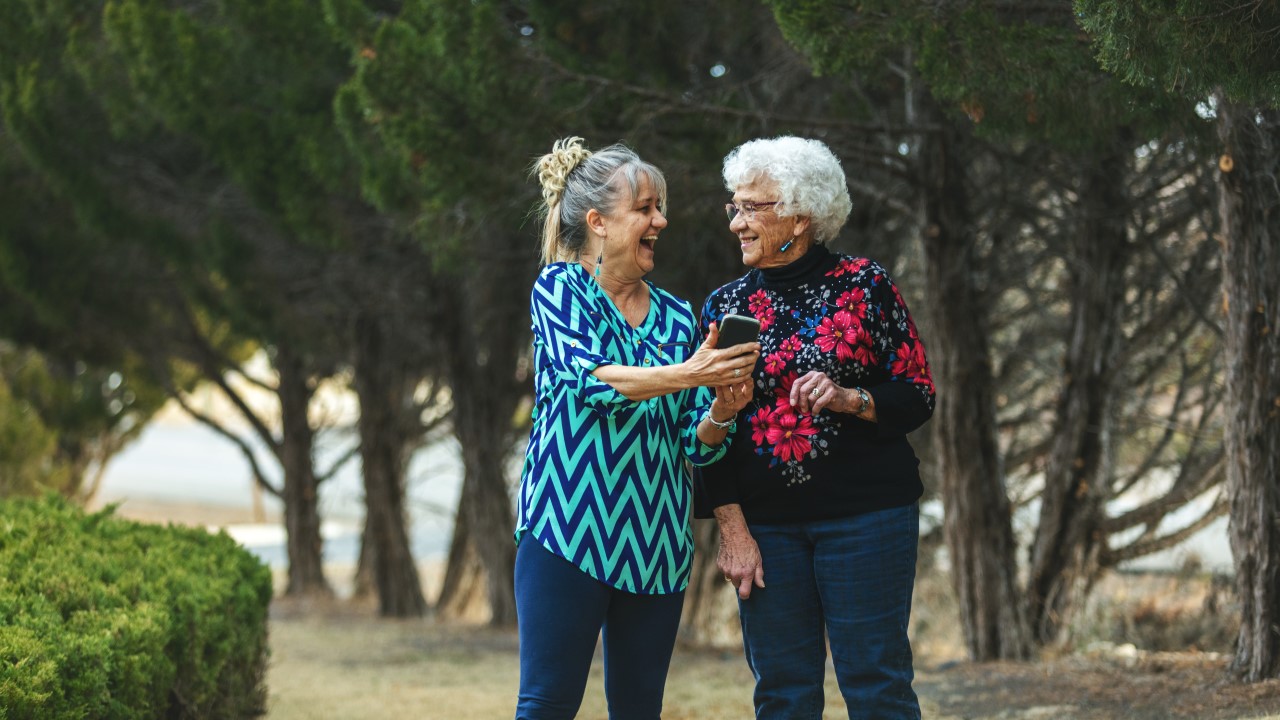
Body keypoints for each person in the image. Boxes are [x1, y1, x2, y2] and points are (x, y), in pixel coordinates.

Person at [515, 137, 759, 720]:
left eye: (660, 207)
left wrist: (720, 411)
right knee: (547, 704)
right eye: (646, 208)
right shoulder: (560, 290)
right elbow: (594, 383)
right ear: (598, 223)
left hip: (657, 547)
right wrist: (689, 372)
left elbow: (688, 444)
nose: (661, 220)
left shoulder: (678, 314)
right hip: (567, 531)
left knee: (639, 710)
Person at [694, 136, 935, 720]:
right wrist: (732, 530)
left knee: (876, 684)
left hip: (868, 519)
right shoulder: (724, 308)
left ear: (800, 217)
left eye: (754, 208)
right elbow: (704, 432)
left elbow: (916, 395)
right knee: (782, 694)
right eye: (735, 206)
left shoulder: (865, 285)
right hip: (767, 532)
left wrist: (851, 398)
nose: (737, 224)